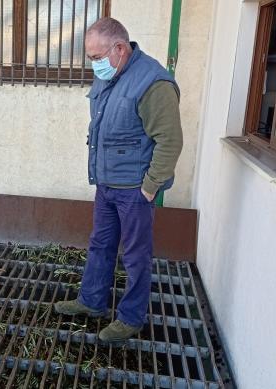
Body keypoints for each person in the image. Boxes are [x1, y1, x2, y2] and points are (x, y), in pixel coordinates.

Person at [54, 17, 183, 342]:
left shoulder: (153, 83)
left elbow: (170, 140)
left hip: (136, 191)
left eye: (97, 58)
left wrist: (150, 187)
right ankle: (92, 301)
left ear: (120, 48)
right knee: (101, 243)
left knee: (136, 254)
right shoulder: (109, 76)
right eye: (91, 58)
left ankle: (131, 318)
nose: (94, 65)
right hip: (107, 183)